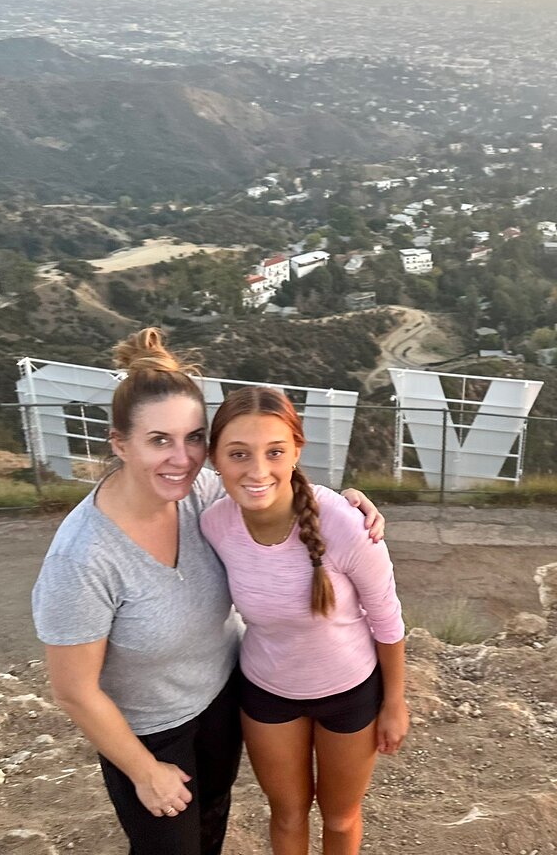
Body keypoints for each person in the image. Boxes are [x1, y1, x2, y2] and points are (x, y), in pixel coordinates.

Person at [31, 329, 385, 855]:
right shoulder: (82, 558)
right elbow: (73, 690)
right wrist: (145, 771)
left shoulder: (201, 491)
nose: (182, 458)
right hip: (149, 734)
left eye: (194, 438)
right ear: (119, 442)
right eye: (159, 441)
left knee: (210, 833)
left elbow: (268, 477)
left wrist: (347, 504)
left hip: (223, 704)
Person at [201, 386, 408, 855]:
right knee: (288, 814)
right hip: (267, 693)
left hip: (350, 694)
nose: (257, 470)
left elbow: (387, 620)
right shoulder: (213, 524)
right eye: (238, 453)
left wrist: (394, 701)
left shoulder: (344, 524)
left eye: (275, 451)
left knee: (339, 817)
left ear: (296, 449)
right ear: (215, 458)